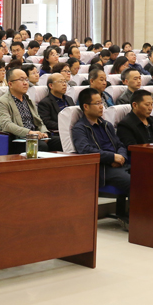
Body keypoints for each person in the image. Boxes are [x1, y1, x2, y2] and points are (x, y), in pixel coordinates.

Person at [71, 88, 131, 217]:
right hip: (103, 169)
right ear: (86, 106)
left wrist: (121, 157)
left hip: (119, 164)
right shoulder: (80, 128)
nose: (101, 106)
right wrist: (112, 157)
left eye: (102, 102)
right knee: (133, 182)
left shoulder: (106, 125)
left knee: (148, 176)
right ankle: (136, 219)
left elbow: (120, 145)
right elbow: (85, 150)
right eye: (97, 103)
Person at [0, 68, 54, 153]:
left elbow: (39, 121)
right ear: (10, 84)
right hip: (18, 140)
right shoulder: (2, 102)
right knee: (41, 146)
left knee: (58, 142)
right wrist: (29, 133)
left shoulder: (29, 100)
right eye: (21, 80)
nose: (26, 83)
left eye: (26, 79)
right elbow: (6, 125)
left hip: (35, 137)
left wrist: (44, 132)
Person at [37, 72, 75, 139]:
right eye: (60, 82)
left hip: (73, 130)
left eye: (65, 81)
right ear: (51, 85)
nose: (64, 84)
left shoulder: (69, 99)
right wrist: (66, 126)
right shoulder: (45, 103)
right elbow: (46, 122)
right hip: (58, 133)